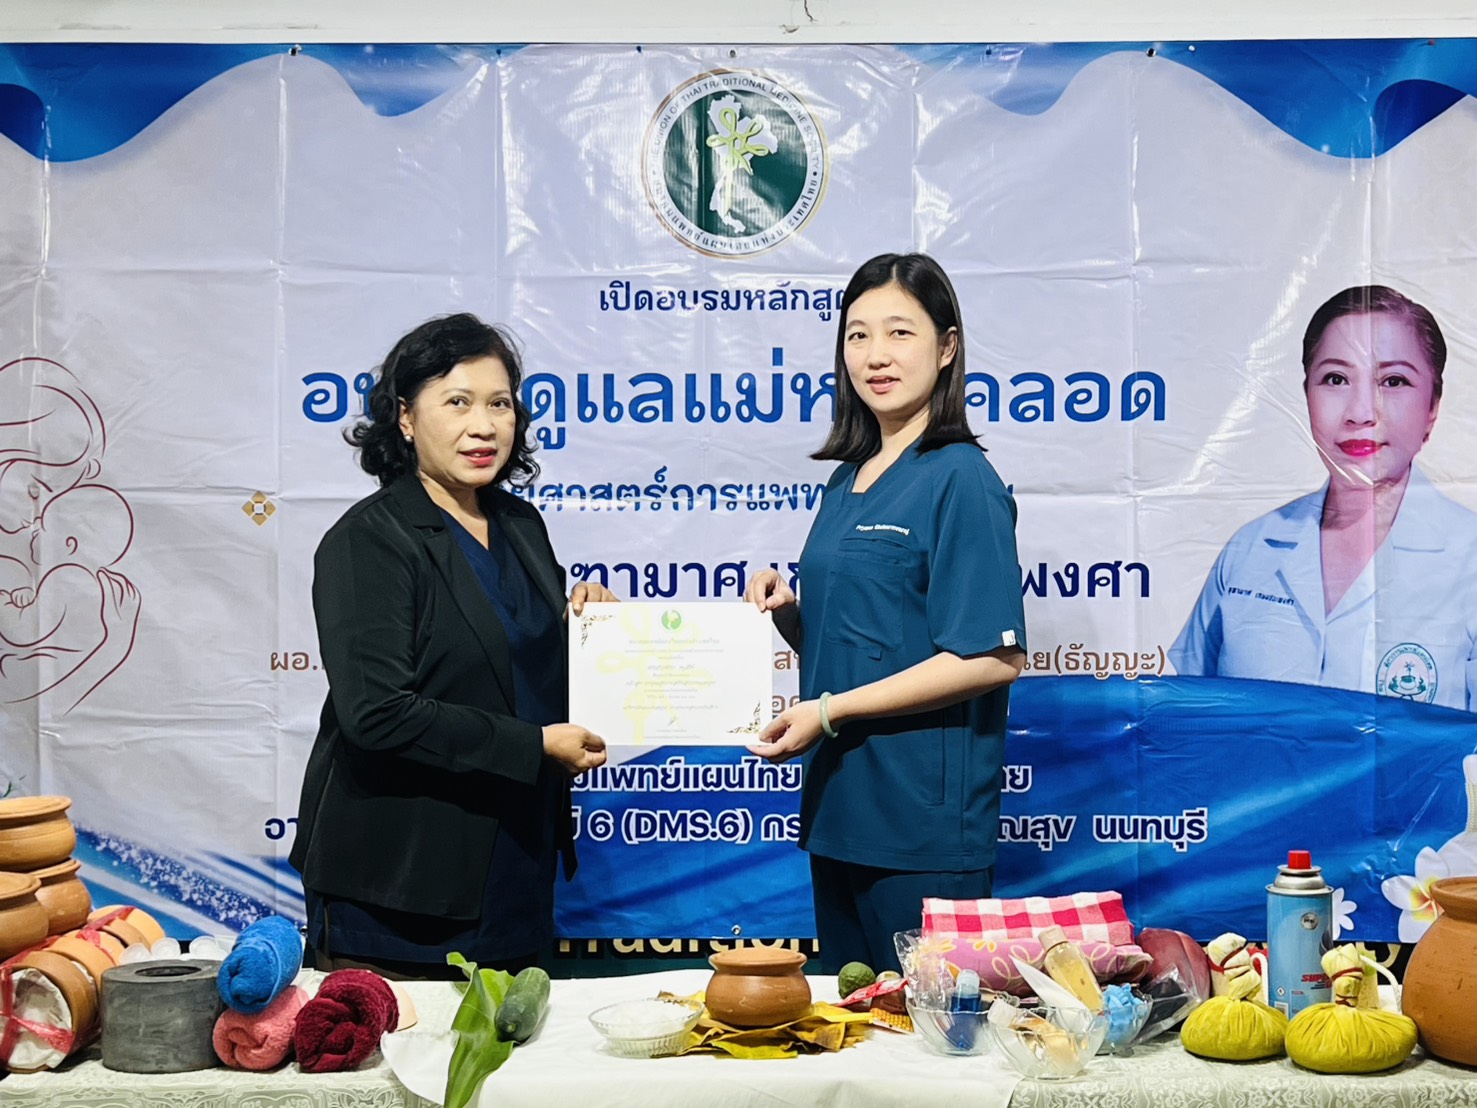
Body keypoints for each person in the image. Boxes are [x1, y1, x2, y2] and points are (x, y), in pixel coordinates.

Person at [289, 313, 614, 979]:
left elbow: (511, 665)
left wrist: (588, 630)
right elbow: (377, 714)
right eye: (457, 402)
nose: (484, 425)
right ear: (406, 418)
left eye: (500, 404)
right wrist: (534, 747)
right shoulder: (370, 539)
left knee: (513, 1047)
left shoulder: (519, 524)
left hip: (515, 869)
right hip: (400, 887)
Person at [745, 253, 1027, 973]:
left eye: (900, 332)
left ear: (947, 346)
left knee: (926, 1031)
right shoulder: (849, 479)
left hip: (920, 829)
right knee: (852, 1025)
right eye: (857, 335)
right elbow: (872, 637)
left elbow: (992, 657)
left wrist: (830, 711)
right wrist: (790, 615)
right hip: (838, 811)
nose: (875, 355)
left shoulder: (961, 478)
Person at [1171, 285, 1477, 712]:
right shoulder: (1251, 549)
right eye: (1335, 379)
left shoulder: (1469, 558)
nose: (1361, 413)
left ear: (1432, 408)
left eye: (1393, 381)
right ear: (1307, 395)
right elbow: (1186, 716)